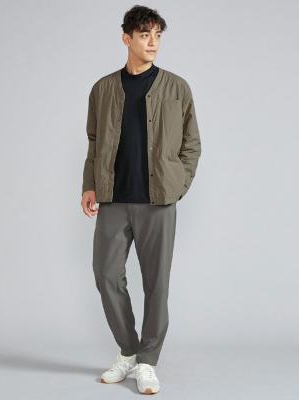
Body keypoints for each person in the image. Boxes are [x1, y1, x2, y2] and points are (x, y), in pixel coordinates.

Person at [81, 5, 201, 395]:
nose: (152, 42)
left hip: (158, 202)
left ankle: (147, 361)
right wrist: (89, 184)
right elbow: (94, 142)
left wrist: (178, 184)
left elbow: (191, 145)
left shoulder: (177, 88)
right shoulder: (102, 89)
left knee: (156, 284)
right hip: (114, 199)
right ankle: (128, 351)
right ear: (126, 38)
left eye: (157, 36)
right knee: (105, 275)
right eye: (145, 35)